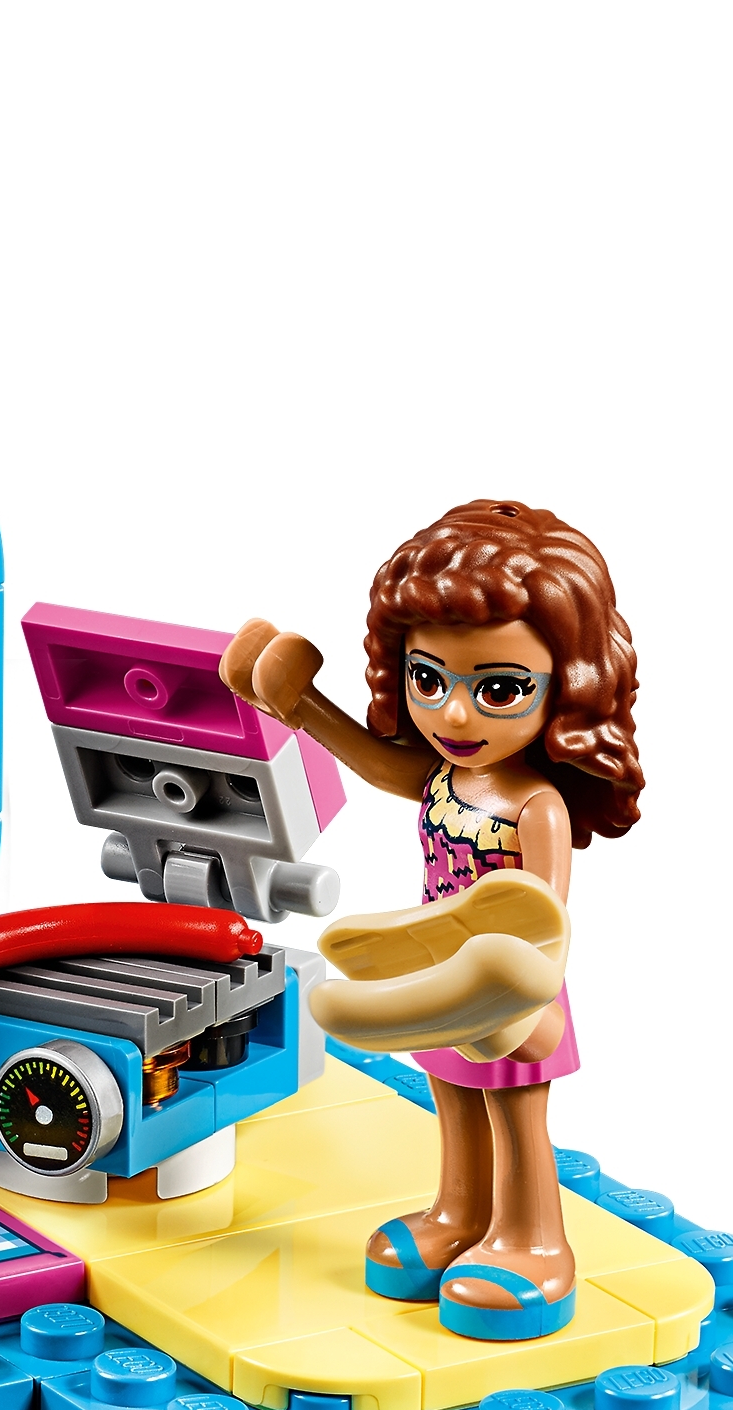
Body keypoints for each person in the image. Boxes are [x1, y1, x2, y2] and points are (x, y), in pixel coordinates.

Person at [220, 500, 644, 1340]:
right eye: (428, 680)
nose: (452, 715)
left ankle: (533, 1240)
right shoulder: (445, 776)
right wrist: (300, 704)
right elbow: (379, 763)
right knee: (450, 1097)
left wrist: (522, 994)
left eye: (498, 689)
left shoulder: (535, 803)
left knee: (516, 1118)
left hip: (510, 988)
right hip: (434, 973)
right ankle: (458, 1214)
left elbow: (543, 914)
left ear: (567, 688)